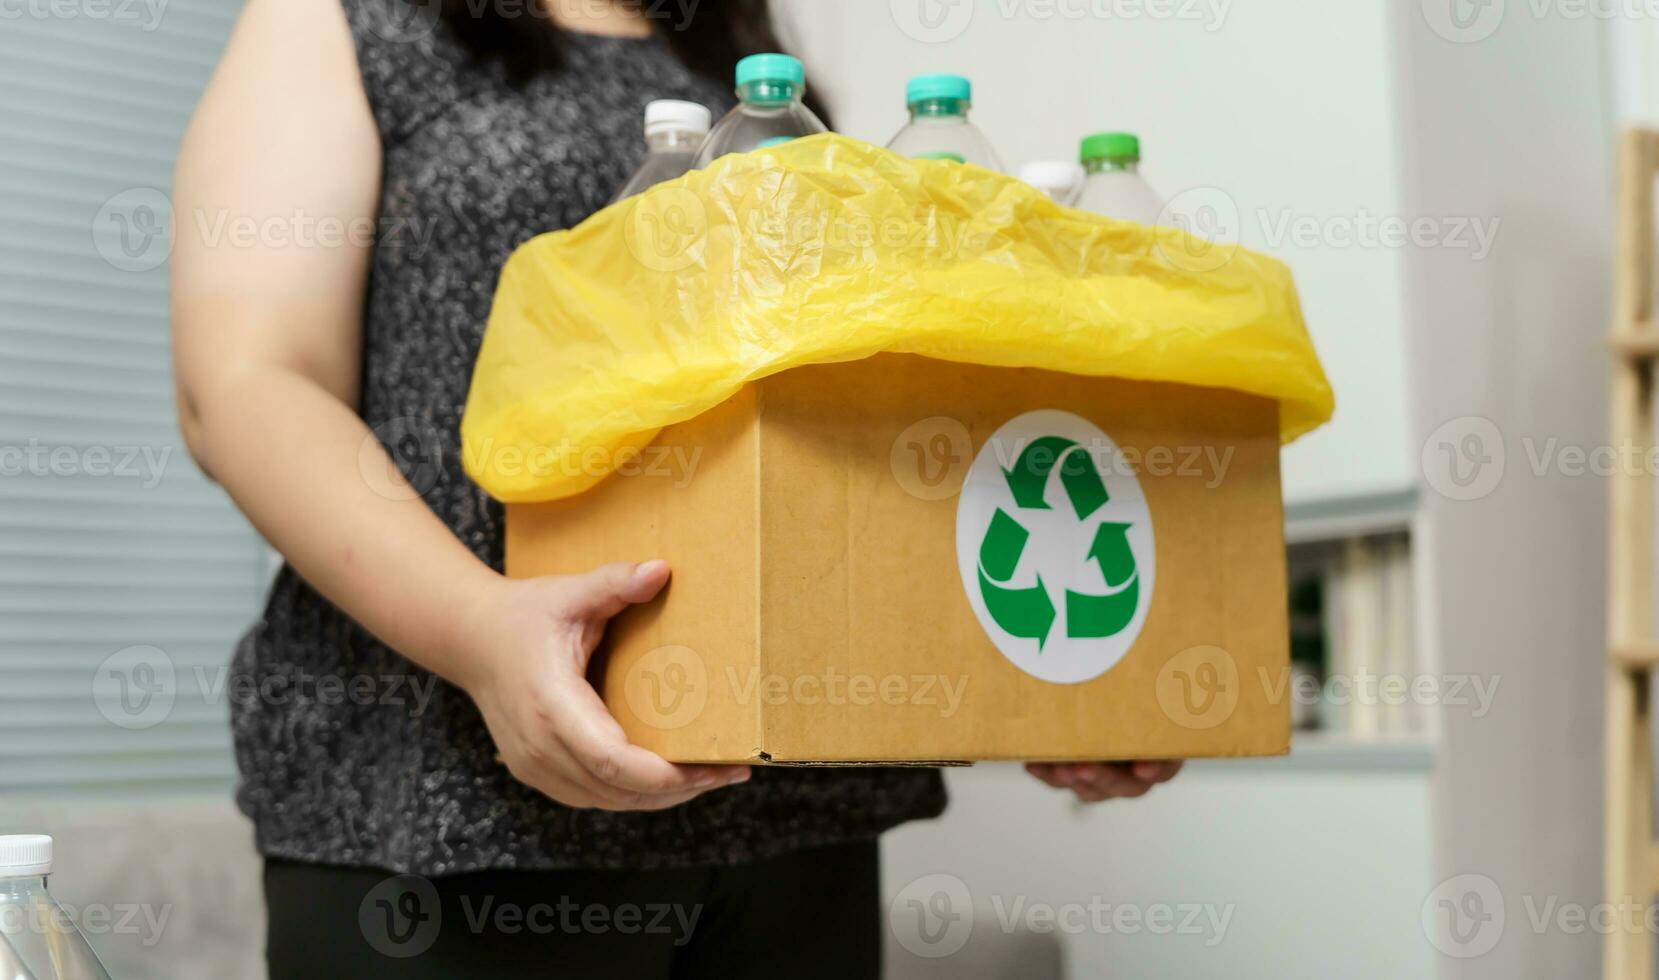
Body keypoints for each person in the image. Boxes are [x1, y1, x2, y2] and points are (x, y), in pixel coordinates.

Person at [170, 0, 1182, 975]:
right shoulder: (353, 16)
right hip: (443, 807)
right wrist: (477, 626)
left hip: (792, 815)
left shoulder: (738, 62)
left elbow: (847, 429)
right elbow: (250, 381)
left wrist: (1045, 655)